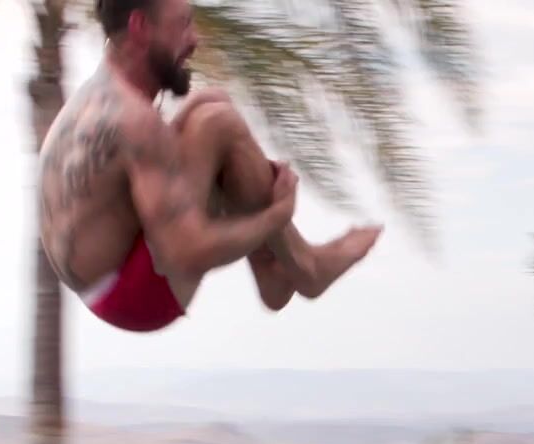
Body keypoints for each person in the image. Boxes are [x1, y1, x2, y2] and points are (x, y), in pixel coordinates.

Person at [38, 0, 382, 333]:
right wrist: (274, 216)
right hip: (130, 298)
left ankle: (270, 270)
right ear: (140, 27)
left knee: (212, 101)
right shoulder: (135, 120)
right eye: (183, 24)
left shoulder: (102, 93)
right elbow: (182, 255)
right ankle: (307, 268)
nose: (195, 40)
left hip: (98, 271)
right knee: (217, 122)